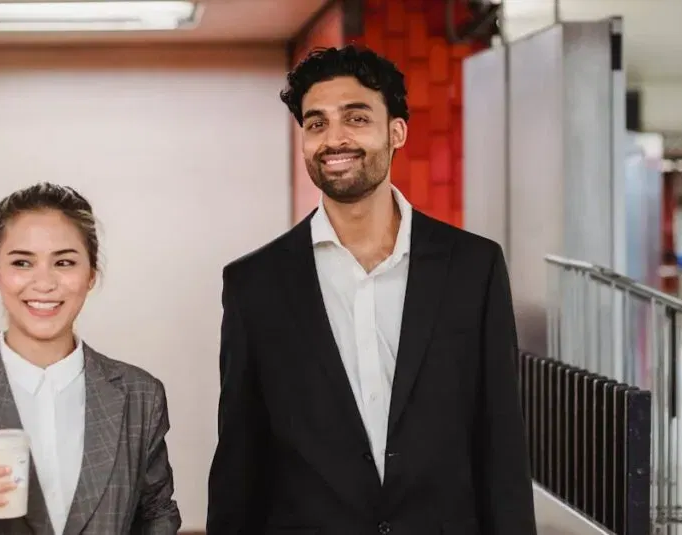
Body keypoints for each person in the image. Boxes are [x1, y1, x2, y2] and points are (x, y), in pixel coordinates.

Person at [206, 44, 538, 535]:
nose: (333, 138)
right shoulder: (254, 284)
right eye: (316, 123)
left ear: (396, 132)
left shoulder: (473, 268)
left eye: (355, 118)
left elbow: (501, 441)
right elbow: (240, 457)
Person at [0, 183, 181, 535]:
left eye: (63, 262)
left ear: (91, 274)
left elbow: (156, 515)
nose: (44, 283)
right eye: (22, 262)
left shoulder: (140, 396)